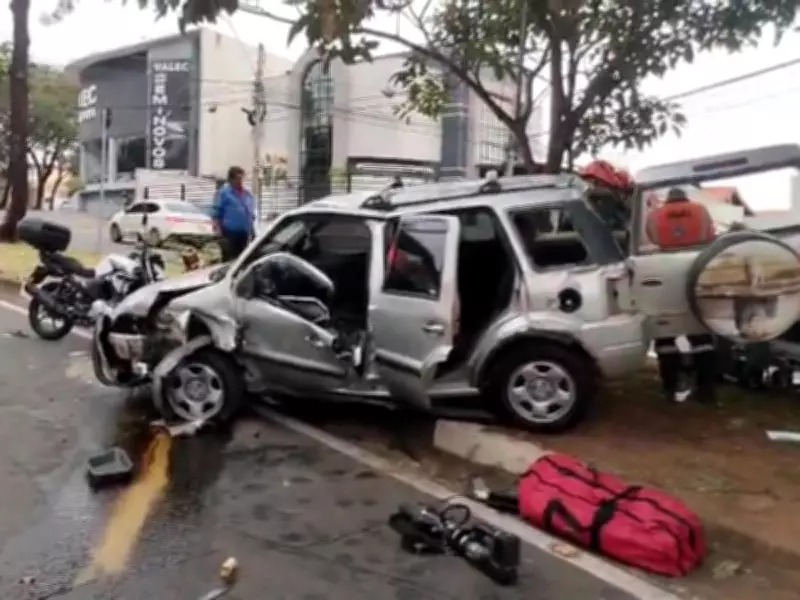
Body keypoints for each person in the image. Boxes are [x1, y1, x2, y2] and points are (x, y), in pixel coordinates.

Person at [646, 187, 718, 404]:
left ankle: (669, 388)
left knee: (665, 335)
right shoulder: (701, 210)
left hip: (667, 270)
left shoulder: (655, 215)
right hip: (696, 268)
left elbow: (651, 239)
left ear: (668, 199)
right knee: (700, 336)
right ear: (685, 197)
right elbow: (711, 236)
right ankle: (706, 390)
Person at [212, 166, 256, 262]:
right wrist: (218, 231)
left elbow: (250, 214)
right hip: (229, 234)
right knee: (229, 260)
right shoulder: (223, 193)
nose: (240, 181)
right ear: (230, 179)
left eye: (241, 178)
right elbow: (216, 213)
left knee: (241, 261)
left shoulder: (247, 194)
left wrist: (252, 231)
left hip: (244, 233)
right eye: (237, 178)